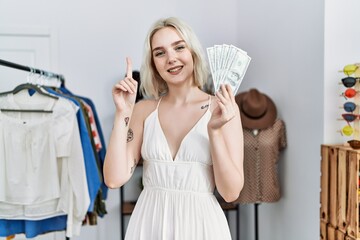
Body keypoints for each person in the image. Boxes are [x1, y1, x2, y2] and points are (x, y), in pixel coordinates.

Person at [103, 16, 244, 240]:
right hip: (148, 226)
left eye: (179, 47)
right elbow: (113, 179)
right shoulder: (143, 110)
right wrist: (123, 112)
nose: (171, 58)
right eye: (160, 53)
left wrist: (215, 131)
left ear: (193, 53)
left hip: (202, 228)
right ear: (153, 64)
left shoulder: (224, 109)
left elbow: (230, 192)